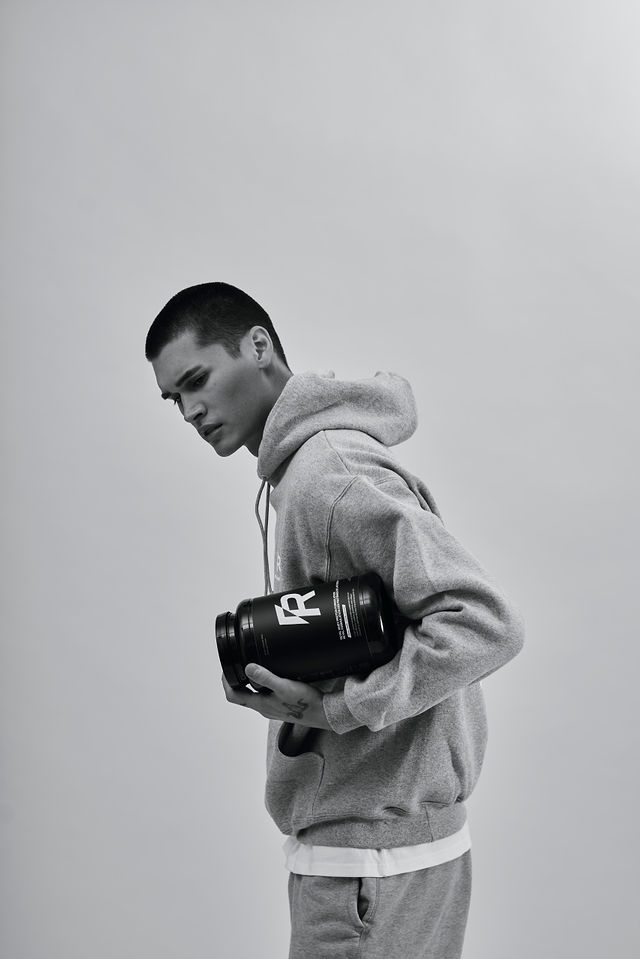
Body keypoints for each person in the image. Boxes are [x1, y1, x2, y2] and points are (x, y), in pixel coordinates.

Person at [145, 281, 525, 959]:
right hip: (400, 858)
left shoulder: (327, 474)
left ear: (258, 346)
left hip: (365, 876)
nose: (190, 410)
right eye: (175, 398)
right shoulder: (308, 470)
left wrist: (334, 709)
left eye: (197, 380)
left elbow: (484, 621)